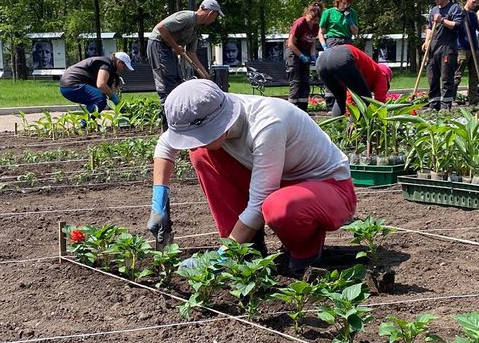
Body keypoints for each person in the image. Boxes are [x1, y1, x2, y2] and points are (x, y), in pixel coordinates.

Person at [146, 79, 357, 276]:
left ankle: (306, 253)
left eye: (200, 136)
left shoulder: (267, 124)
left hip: (327, 187)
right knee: (201, 154)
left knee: (278, 208)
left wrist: (219, 259)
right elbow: (165, 146)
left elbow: (259, 203)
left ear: (220, 126)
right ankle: (246, 249)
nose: (193, 142)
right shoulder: (214, 108)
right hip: (279, 178)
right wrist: (159, 202)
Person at [147, 0, 223, 127]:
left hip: (169, 48)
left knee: (176, 83)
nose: (214, 20)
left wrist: (205, 74)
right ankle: (167, 126)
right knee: (167, 82)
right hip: (158, 44)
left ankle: (177, 122)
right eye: (215, 16)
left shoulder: (196, 29)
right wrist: (175, 46)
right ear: (211, 13)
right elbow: (161, 28)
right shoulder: (187, 17)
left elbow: (191, 53)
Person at [316, 44, 392, 116]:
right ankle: (353, 128)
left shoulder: (368, 70)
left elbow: (350, 95)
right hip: (342, 56)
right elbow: (379, 103)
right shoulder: (382, 74)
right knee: (364, 98)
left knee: (340, 99)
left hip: (321, 61)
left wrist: (349, 114)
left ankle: (335, 127)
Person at [423, 0, 464, 111]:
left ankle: (446, 106)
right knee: (432, 78)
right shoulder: (433, 10)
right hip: (433, 47)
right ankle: (433, 105)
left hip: (447, 47)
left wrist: (442, 21)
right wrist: (426, 41)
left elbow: (457, 26)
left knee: (446, 78)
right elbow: (429, 27)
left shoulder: (454, 8)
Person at [59, 52, 133, 113]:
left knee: (94, 101)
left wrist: (118, 105)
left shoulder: (110, 67)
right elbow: (101, 85)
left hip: (67, 86)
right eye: (124, 66)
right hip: (72, 84)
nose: (124, 69)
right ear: (119, 62)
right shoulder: (106, 65)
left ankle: (89, 124)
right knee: (99, 99)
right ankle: (85, 123)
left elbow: (107, 89)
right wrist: (114, 98)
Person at [285, 1, 323, 111]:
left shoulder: (315, 26)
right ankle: (291, 109)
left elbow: (312, 41)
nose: (313, 22)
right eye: (311, 19)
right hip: (293, 52)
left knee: (305, 82)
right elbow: (291, 44)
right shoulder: (300, 23)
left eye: (316, 20)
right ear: (307, 14)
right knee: (296, 82)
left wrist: (312, 55)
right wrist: (301, 56)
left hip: (305, 52)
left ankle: (303, 110)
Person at [454, 0, 479, 105]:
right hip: (462, 48)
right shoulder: (459, 13)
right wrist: (462, 16)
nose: (476, 3)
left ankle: (473, 99)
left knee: (475, 75)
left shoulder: (472, 14)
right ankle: (451, 98)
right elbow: (456, 27)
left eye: (477, 1)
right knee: (457, 74)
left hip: (474, 48)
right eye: (474, 1)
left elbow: (476, 27)